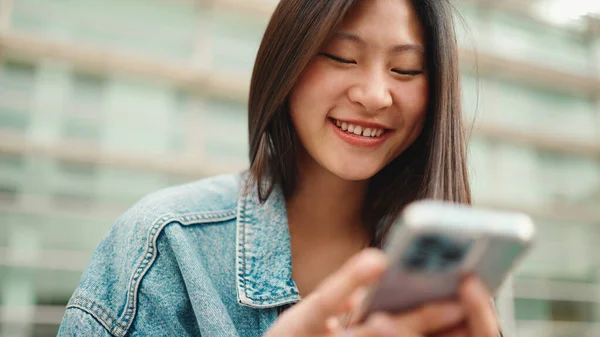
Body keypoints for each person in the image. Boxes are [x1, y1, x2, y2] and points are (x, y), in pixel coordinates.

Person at [58, 0, 500, 336]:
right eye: (342, 57)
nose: (374, 95)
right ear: (288, 61)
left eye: (406, 70)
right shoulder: (165, 243)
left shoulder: (444, 273)